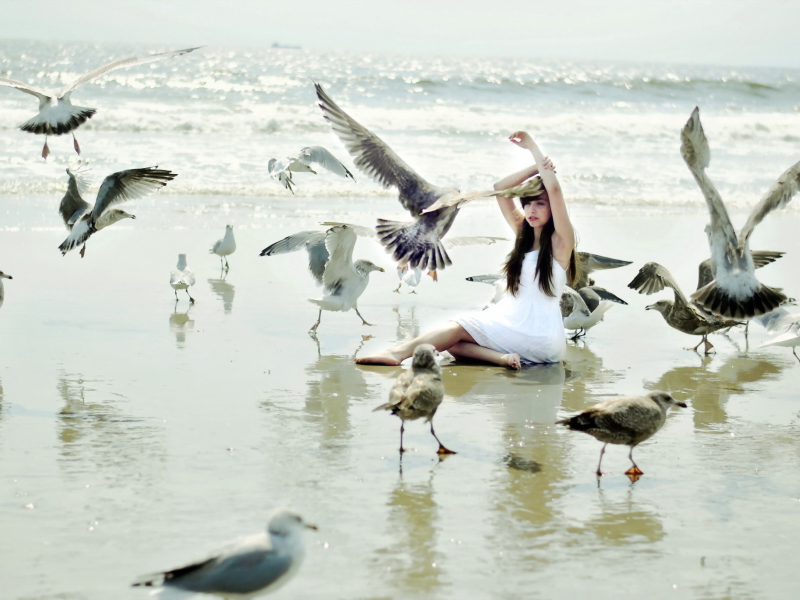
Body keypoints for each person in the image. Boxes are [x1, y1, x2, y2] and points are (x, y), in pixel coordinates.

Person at [355, 131, 577, 369]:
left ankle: (397, 353)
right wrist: (535, 168)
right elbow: (500, 188)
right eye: (528, 203)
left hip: (538, 334)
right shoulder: (523, 235)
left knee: (455, 330)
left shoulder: (560, 242)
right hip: (514, 324)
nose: (531, 210)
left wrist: (533, 148)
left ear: (552, 209)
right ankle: (502, 358)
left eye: (539, 204)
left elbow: (554, 190)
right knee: (450, 340)